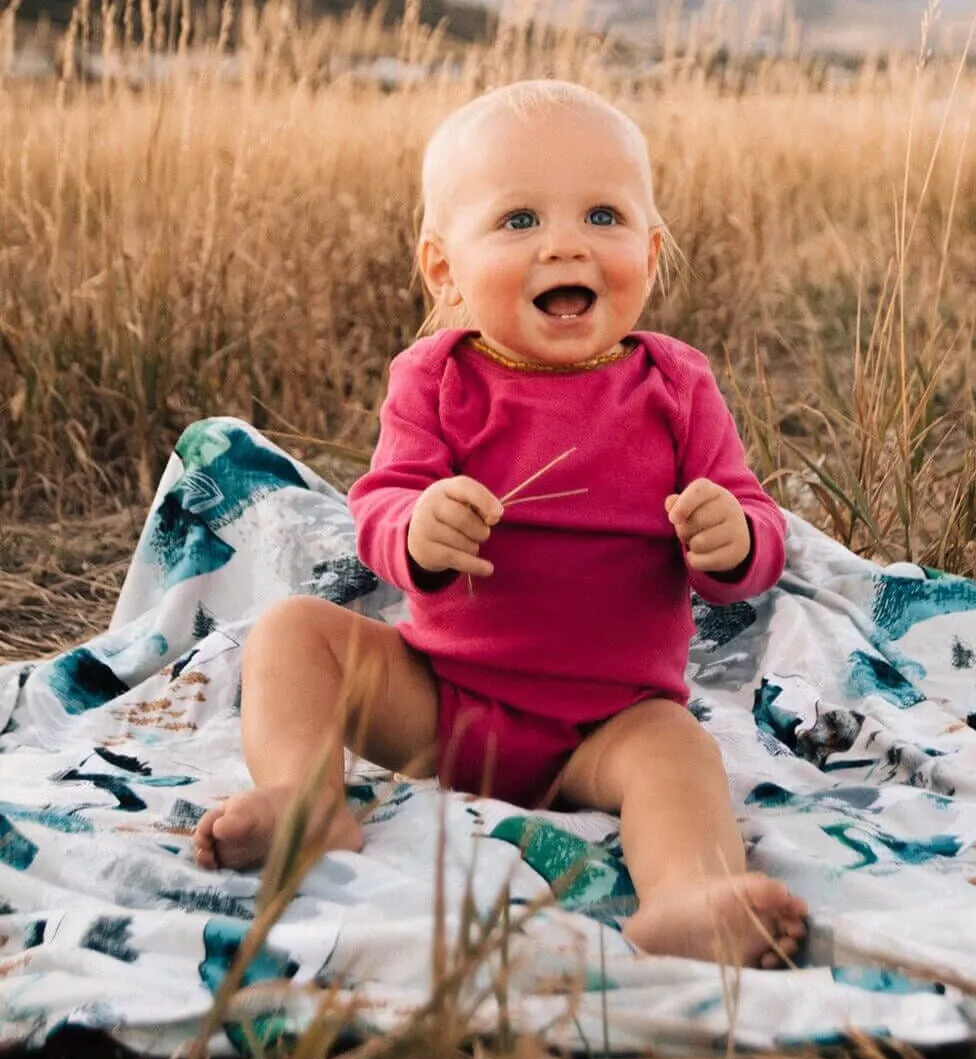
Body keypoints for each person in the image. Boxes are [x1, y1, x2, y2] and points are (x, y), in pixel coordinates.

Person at [194, 79, 807, 967]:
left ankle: (685, 896)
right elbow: (380, 505)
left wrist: (735, 539)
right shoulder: (437, 378)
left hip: (609, 726)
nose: (566, 243)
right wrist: (418, 530)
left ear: (652, 246)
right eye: (520, 221)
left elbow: (753, 527)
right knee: (293, 634)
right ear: (444, 268)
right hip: (442, 704)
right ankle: (308, 798)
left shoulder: (675, 387)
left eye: (603, 216)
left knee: (679, 755)